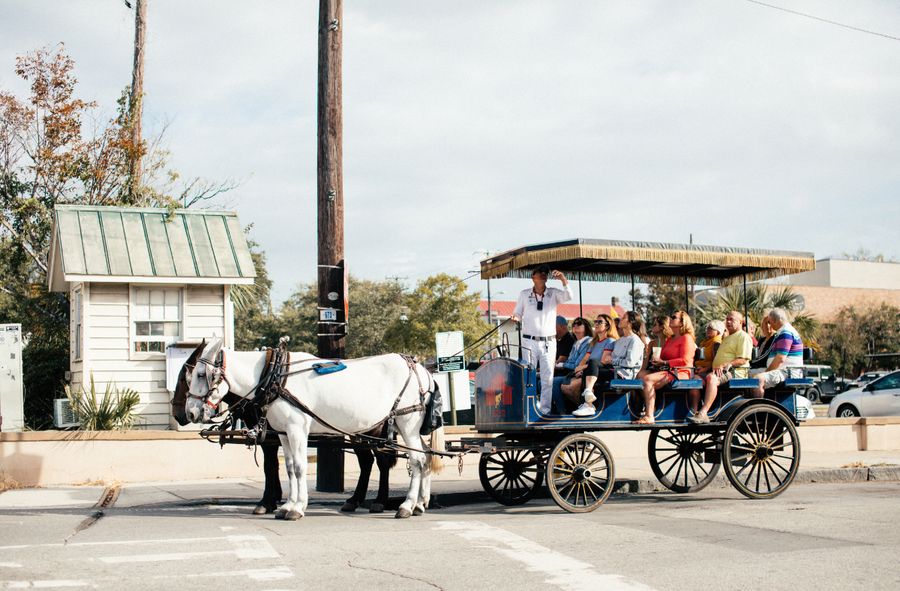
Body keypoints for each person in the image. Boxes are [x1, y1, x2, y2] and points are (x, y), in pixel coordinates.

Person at [510, 265, 572, 414]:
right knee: (528, 375)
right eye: (540, 273)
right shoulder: (524, 294)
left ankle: (545, 410)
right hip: (529, 341)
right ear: (533, 277)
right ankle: (528, 409)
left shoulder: (553, 293)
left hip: (548, 341)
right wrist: (515, 318)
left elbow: (569, 296)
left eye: (545, 273)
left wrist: (563, 279)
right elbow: (518, 312)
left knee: (547, 377)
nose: (543, 275)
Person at [573, 311, 647, 417]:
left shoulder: (635, 341)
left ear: (630, 322)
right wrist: (611, 360)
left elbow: (629, 363)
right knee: (592, 364)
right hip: (614, 370)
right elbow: (611, 359)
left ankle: (588, 402)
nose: (620, 319)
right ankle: (588, 400)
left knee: (592, 365)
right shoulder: (620, 340)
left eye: (623, 318)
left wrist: (612, 360)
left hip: (623, 374)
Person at [688, 311, 754, 423]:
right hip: (718, 370)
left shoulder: (743, 336)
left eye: (731, 319)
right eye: (727, 319)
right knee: (695, 380)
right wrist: (707, 368)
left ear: (740, 322)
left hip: (734, 372)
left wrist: (725, 365)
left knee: (712, 378)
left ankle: (704, 413)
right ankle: (694, 411)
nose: (728, 321)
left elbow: (743, 359)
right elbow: (718, 359)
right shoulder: (727, 337)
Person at [635, 310, 696, 425]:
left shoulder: (686, 338)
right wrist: (656, 361)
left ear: (682, 323)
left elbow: (685, 361)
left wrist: (665, 362)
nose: (671, 319)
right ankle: (649, 405)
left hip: (681, 372)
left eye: (674, 317)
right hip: (668, 370)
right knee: (640, 375)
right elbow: (663, 357)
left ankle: (649, 415)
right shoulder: (670, 339)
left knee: (648, 380)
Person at [560, 314, 618, 406]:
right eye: (595, 322)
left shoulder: (610, 341)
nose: (596, 324)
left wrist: (583, 368)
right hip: (588, 370)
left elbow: (602, 361)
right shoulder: (593, 342)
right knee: (564, 386)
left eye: (599, 322)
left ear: (607, 326)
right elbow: (584, 359)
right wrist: (579, 368)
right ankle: (583, 405)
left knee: (570, 386)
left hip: (600, 371)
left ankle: (589, 405)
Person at [753, 308, 804, 397]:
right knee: (748, 374)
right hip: (780, 370)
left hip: (787, 373)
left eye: (769, 322)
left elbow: (780, 359)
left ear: (774, 321)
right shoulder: (781, 332)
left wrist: (767, 372)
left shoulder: (786, 333)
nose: (770, 325)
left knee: (758, 379)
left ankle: (758, 407)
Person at [551, 317, 593, 412]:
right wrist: (564, 364)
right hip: (572, 372)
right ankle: (553, 409)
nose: (575, 325)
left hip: (582, 373)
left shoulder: (588, 342)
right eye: (574, 324)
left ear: (586, 327)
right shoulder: (576, 343)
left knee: (553, 382)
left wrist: (562, 365)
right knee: (543, 382)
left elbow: (577, 364)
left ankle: (562, 412)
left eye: (579, 323)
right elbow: (570, 361)